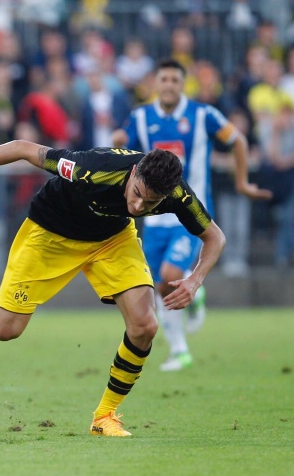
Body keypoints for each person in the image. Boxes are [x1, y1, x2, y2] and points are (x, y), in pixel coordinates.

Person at [0, 142, 227, 437]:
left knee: (145, 325)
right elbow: (26, 150)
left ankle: (104, 416)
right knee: (5, 329)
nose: (138, 206)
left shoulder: (176, 193)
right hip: (50, 232)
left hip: (111, 239)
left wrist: (195, 279)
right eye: (137, 194)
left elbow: (214, 237)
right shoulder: (92, 168)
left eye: (150, 204)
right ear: (134, 172)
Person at [112, 59, 272, 371]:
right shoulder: (141, 116)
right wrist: (117, 142)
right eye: (164, 79)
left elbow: (237, 139)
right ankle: (180, 349)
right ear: (156, 83)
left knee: (172, 276)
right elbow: (126, 155)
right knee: (160, 286)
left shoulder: (202, 114)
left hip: (189, 214)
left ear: (183, 84)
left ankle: (191, 287)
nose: (169, 85)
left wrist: (241, 182)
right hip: (154, 216)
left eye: (174, 79)